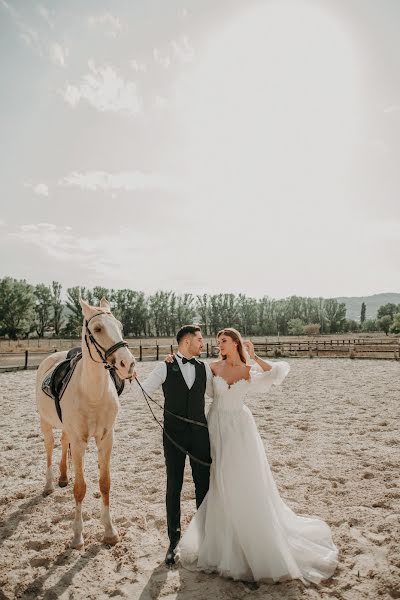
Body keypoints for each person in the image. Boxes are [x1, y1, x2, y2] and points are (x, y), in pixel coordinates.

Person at [174, 328, 338, 585]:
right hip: (216, 426)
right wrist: (172, 360)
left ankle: (249, 541)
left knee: (242, 481)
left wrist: (254, 355)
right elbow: (191, 378)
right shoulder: (212, 368)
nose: (219, 346)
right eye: (218, 342)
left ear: (236, 343)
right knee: (219, 481)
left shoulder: (249, 372)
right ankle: (221, 543)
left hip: (240, 429)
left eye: (224, 341)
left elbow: (277, 373)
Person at [135, 325, 214, 566]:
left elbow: (217, 393)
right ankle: (173, 541)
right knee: (175, 486)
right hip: (173, 436)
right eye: (200, 340)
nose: (203, 343)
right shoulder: (164, 366)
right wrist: (130, 376)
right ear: (187, 341)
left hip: (200, 435)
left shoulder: (204, 368)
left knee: (204, 485)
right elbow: (141, 392)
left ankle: (204, 537)